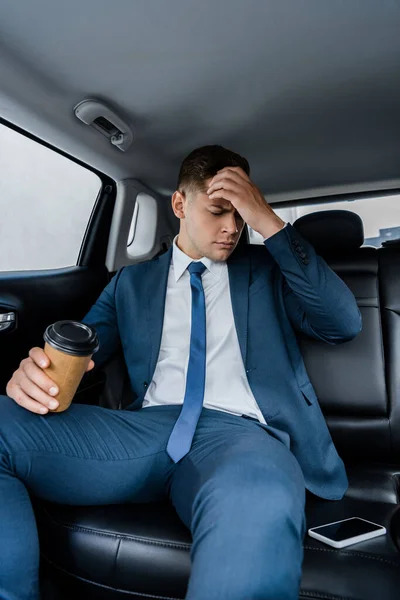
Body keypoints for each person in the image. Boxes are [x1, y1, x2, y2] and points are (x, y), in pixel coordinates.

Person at [1, 145, 362, 600]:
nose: (232, 227)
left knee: (255, 497)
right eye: (218, 211)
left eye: (240, 214)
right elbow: (83, 348)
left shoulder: (269, 272)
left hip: (241, 436)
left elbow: (344, 324)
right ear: (179, 205)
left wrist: (268, 220)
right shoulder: (131, 283)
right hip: (144, 432)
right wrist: (37, 375)